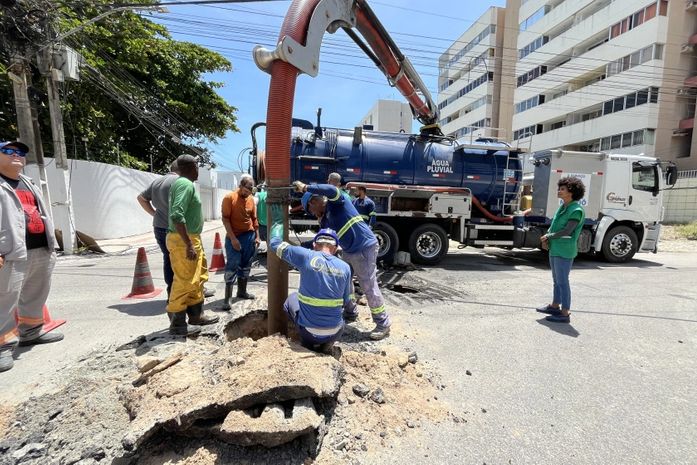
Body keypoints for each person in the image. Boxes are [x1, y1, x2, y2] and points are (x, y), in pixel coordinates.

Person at [292, 181, 391, 340]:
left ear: (314, 201)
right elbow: (324, 240)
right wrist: (300, 247)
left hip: (364, 246)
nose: (311, 213)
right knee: (345, 281)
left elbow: (331, 189)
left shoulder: (337, 202)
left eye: (309, 209)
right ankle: (351, 311)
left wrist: (305, 187)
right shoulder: (324, 220)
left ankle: (383, 323)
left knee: (368, 285)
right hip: (349, 250)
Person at [0, 141, 63, 372]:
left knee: (36, 293)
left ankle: (31, 332)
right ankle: (2, 347)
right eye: (8, 151)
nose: (16, 155)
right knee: (4, 298)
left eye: (20, 152)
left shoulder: (27, 182)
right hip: (9, 252)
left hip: (39, 247)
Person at [268, 217, 350, 353]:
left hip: (309, 332)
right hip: (335, 331)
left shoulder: (306, 256)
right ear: (335, 249)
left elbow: (275, 245)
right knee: (339, 319)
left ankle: (308, 345)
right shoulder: (345, 267)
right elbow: (346, 301)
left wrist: (277, 226)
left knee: (291, 299)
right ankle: (326, 344)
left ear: (314, 245)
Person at [137, 161, 215, 300]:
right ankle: (187, 296)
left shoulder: (157, 182)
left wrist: (155, 214)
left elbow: (141, 198)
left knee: (168, 259)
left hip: (160, 227)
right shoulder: (181, 182)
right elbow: (178, 213)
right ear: (183, 169)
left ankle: (172, 293)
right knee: (188, 264)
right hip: (179, 230)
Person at [166, 155, 218, 336]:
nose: (199, 169)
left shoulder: (186, 184)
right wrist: (188, 244)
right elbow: (176, 214)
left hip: (191, 237)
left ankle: (196, 316)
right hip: (183, 240)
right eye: (197, 166)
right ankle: (178, 324)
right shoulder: (184, 184)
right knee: (185, 280)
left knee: (198, 276)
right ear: (192, 167)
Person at [537, 176, 586, 324]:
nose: (559, 191)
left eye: (562, 189)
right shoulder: (563, 207)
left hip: (565, 251)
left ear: (571, 192)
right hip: (556, 248)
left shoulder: (576, 210)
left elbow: (567, 231)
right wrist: (547, 239)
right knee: (556, 280)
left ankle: (565, 313)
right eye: (560, 188)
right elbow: (555, 226)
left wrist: (549, 236)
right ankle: (554, 305)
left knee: (563, 281)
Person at [221, 174, 260, 308]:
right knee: (232, 265)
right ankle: (227, 299)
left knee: (246, 265)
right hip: (234, 237)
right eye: (245, 190)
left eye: (250, 191)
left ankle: (242, 292)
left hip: (249, 237)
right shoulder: (229, 198)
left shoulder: (251, 200)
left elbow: (254, 219)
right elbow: (225, 219)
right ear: (240, 186)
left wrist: (257, 236)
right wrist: (233, 239)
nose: (247, 193)